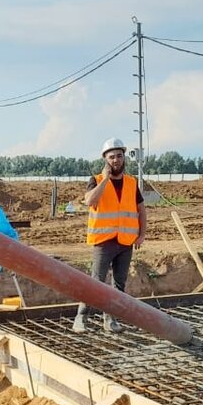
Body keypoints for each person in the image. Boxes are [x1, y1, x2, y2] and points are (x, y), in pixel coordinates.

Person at [75, 137, 145, 333]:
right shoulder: (96, 180)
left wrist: (141, 234)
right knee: (96, 282)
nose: (116, 160)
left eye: (119, 156)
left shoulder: (131, 182)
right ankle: (81, 318)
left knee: (119, 284)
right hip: (104, 241)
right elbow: (89, 201)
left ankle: (110, 320)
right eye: (112, 157)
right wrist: (105, 179)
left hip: (125, 242)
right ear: (105, 159)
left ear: (124, 158)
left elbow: (141, 209)